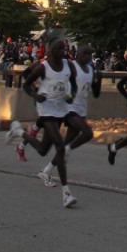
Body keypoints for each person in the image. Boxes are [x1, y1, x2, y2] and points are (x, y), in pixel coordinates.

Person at [6, 39, 78, 208]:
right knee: (60, 147)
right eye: (59, 49)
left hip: (60, 109)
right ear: (51, 51)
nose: (63, 51)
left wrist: (71, 95)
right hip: (46, 109)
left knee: (43, 149)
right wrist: (35, 95)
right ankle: (66, 193)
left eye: (64, 48)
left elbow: (74, 85)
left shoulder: (69, 65)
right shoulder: (43, 67)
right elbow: (26, 85)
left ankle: (19, 132)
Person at [38, 44, 102, 187]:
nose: (87, 57)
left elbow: (96, 94)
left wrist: (99, 80)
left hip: (81, 111)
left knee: (65, 145)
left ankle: (46, 170)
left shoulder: (91, 70)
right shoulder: (71, 66)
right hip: (69, 109)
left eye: (90, 54)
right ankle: (67, 150)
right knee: (87, 133)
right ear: (77, 54)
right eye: (85, 53)